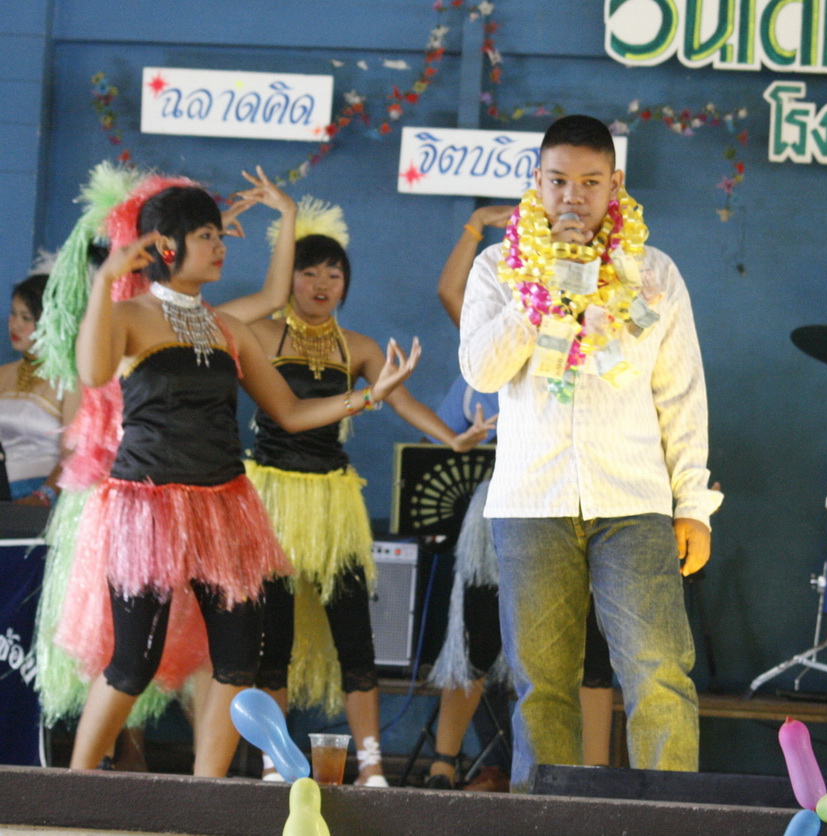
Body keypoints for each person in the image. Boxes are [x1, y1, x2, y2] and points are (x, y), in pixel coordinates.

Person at [58, 177, 419, 777]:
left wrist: (367, 396)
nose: (221, 247)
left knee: (239, 659)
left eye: (219, 235)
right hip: (147, 506)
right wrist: (104, 282)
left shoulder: (227, 327)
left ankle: (208, 793)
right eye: (208, 237)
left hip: (225, 505)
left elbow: (292, 411)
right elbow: (93, 371)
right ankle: (75, 786)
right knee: (134, 661)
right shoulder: (128, 316)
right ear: (167, 247)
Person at [459, 115, 722, 790]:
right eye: (557, 181)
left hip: (633, 500)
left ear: (615, 184)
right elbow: (481, 373)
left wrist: (693, 507)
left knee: (659, 672)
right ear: (536, 181)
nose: (572, 197)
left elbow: (681, 395)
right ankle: (544, 820)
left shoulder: (653, 270)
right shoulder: (497, 268)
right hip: (532, 502)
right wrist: (545, 292)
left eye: (589, 182)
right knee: (541, 683)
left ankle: (670, 816)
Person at [247, 196, 493, 787]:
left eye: (334, 274)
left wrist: (453, 439)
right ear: (288, 279)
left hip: (334, 505)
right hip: (271, 501)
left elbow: (401, 400)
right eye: (309, 272)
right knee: (271, 641)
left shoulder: (356, 346)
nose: (321, 284)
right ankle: (274, 762)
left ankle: (372, 766)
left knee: (355, 640)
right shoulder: (259, 333)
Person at [426, 208, 613, 789]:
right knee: (479, 634)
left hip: (584, 498)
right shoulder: (502, 328)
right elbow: (450, 293)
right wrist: (472, 228)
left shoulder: (605, 331)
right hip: (502, 500)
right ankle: (442, 764)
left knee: (588, 647)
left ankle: (594, 777)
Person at [1, 272, 78, 504]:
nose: (15, 324)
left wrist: (44, 495)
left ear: (50, 322)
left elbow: (75, 455)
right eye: (13, 314)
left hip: (45, 499)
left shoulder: (70, 380)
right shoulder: (3, 373)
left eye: (26, 317)